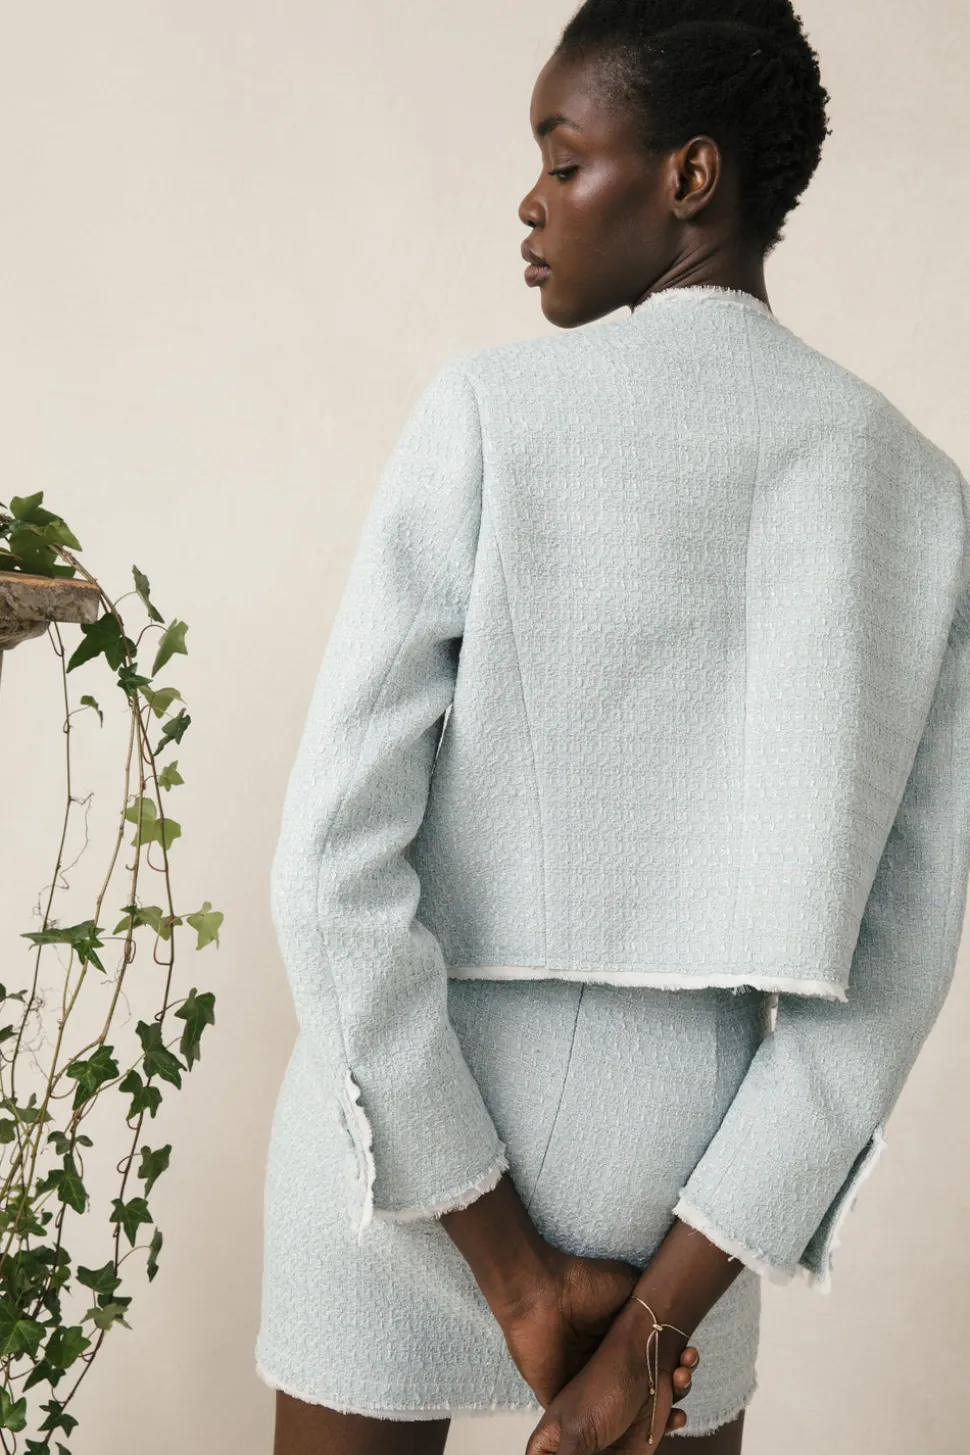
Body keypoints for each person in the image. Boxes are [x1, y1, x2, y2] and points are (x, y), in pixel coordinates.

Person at [255, 2, 970, 1452]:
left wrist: (512, 1272)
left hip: (400, 1151)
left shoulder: (488, 412)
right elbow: (891, 981)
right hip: (687, 1194)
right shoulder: (918, 496)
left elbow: (330, 870)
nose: (529, 202)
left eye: (563, 158)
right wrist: (656, 1324)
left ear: (690, 176)